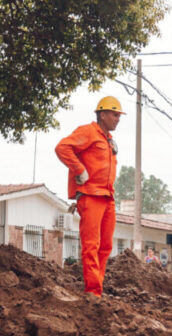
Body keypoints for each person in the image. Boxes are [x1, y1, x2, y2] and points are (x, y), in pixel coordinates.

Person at [55, 97, 122, 297]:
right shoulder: (88, 132)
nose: (118, 119)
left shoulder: (108, 140)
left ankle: (96, 288)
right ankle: (93, 291)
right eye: (115, 115)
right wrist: (79, 169)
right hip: (91, 195)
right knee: (91, 245)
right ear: (103, 114)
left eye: (119, 115)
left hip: (107, 196)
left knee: (106, 246)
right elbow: (62, 147)